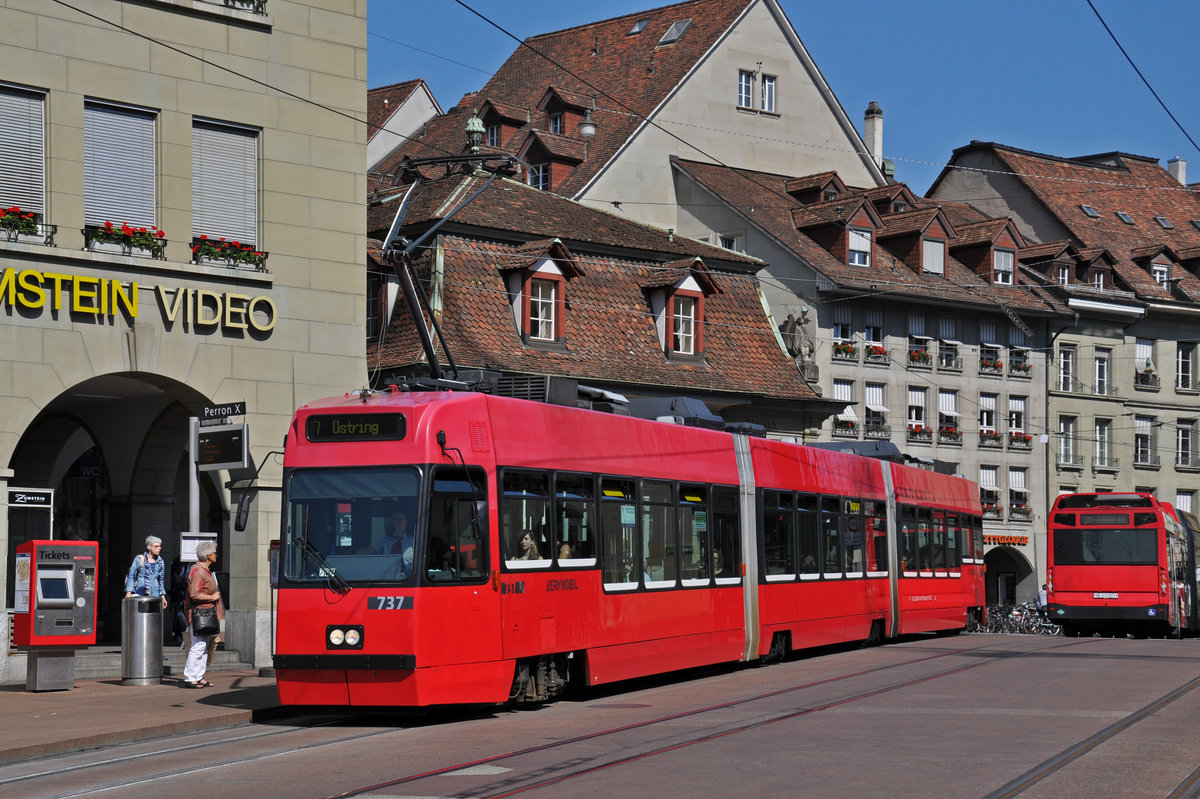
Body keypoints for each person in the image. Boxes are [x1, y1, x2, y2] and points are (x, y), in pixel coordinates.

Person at [183, 541, 224, 688]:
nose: (216, 555)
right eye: (215, 553)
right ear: (208, 556)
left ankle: (198, 676)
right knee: (198, 645)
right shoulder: (199, 571)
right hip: (200, 612)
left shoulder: (202, 570)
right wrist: (212, 597)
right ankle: (190, 677)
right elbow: (195, 594)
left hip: (205, 612)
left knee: (203, 645)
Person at [124, 535, 168, 611]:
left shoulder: (161, 562)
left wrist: (163, 596)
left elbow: (161, 580)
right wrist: (129, 592)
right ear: (149, 547)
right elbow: (131, 576)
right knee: (141, 618)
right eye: (156, 546)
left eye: (160, 546)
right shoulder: (139, 559)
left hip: (155, 596)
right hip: (141, 595)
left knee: (154, 618)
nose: (159, 548)